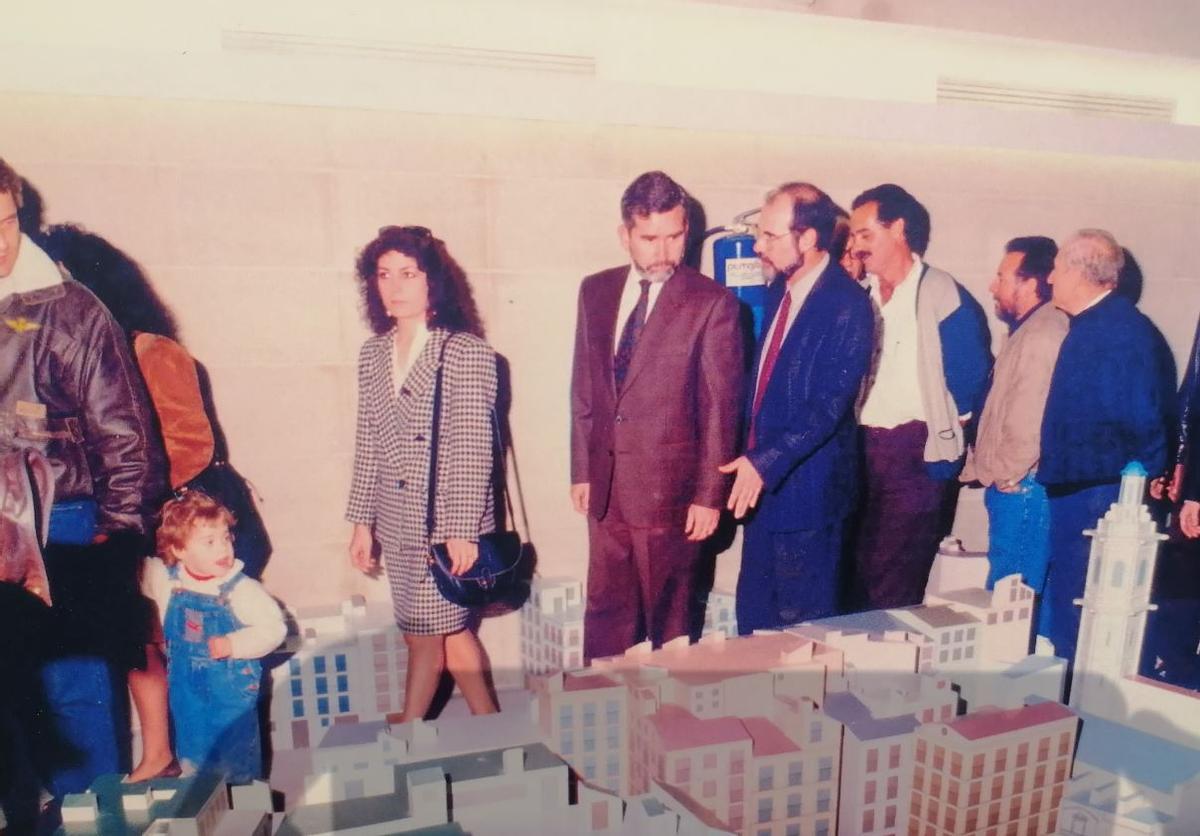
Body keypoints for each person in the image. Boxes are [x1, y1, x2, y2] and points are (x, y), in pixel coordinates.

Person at [0, 157, 168, 800]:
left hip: (61, 521)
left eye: (8, 223)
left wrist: (118, 537)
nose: (3, 242)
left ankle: (91, 814)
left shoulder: (72, 311)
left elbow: (125, 436)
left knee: (74, 695)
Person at [570, 171, 744, 662]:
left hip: (672, 497)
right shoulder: (595, 291)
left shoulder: (713, 303)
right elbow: (585, 387)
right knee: (606, 616)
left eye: (676, 236)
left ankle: (668, 724)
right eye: (650, 239)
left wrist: (710, 496)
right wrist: (582, 469)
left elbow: (720, 409)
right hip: (607, 491)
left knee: (670, 629)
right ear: (625, 234)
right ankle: (601, 712)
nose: (665, 251)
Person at [346, 225, 500, 722]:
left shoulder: (465, 352)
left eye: (408, 274)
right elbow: (368, 441)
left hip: (447, 523)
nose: (394, 286)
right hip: (398, 522)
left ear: (433, 281)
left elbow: (474, 450)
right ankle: (491, 725)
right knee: (449, 631)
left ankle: (410, 733)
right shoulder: (373, 353)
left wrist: (461, 530)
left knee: (425, 636)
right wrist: (361, 521)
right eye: (384, 275)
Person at [720, 183, 873, 632]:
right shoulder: (778, 292)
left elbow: (828, 405)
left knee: (800, 637)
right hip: (766, 491)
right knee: (754, 623)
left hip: (809, 499)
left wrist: (763, 461)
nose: (756, 246)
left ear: (807, 239)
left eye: (769, 236)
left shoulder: (848, 305)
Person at [848, 183, 991, 610]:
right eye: (853, 236)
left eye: (865, 234)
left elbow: (970, 381)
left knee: (894, 583)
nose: (855, 246)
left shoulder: (944, 294)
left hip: (915, 454)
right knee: (855, 574)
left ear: (899, 230)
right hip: (862, 450)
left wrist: (946, 434)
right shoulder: (860, 296)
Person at [1038, 229, 1174, 668]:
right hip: (1083, 488)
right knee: (1074, 606)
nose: (1050, 278)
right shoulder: (1099, 324)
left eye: (1057, 268)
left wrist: (1139, 489)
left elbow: (1145, 420)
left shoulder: (1120, 333)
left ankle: (1081, 712)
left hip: (1099, 495)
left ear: (1080, 273)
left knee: (1086, 612)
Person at [961, 237, 1067, 645]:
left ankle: (1012, 699)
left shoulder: (1043, 334)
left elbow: (1032, 417)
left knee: (1012, 601)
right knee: (1025, 600)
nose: (993, 286)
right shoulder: (1031, 330)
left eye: (1003, 277)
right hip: (1017, 485)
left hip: (1021, 488)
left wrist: (1008, 471)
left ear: (1029, 283)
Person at [141, 491, 284, 782]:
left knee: (236, 762)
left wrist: (235, 644)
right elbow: (138, 571)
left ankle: (247, 815)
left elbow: (274, 629)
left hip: (229, 694)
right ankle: (204, 806)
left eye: (226, 537)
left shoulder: (241, 589)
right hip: (186, 694)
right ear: (179, 550)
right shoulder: (167, 580)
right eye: (209, 542)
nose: (224, 548)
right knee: (193, 758)